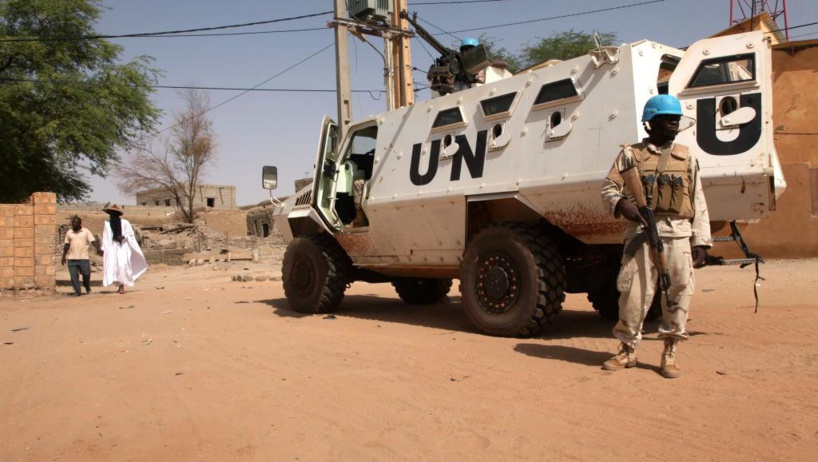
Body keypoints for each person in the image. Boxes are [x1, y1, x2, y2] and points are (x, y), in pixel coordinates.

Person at [599, 94, 712, 379]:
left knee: (678, 293)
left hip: (677, 235)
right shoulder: (630, 155)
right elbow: (609, 188)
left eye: (676, 119)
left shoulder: (687, 156)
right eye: (667, 119)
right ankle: (627, 351)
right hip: (640, 233)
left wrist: (700, 240)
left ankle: (670, 352)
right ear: (651, 123)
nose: (674, 123)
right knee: (633, 295)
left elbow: (697, 198)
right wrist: (621, 204)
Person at [101, 204, 148, 294]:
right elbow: (105, 236)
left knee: (122, 265)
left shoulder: (125, 222)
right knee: (114, 266)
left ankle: (122, 286)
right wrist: (103, 248)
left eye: (114, 213)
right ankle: (119, 285)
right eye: (111, 213)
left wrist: (123, 237)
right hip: (112, 247)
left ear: (117, 214)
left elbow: (130, 233)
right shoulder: (107, 223)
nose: (112, 215)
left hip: (122, 247)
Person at [61, 216, 103, 296]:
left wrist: (98, 249)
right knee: (74, 277)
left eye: (76, 222)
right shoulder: (69, 232)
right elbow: (66, 244)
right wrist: (63, 256)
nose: (74, 224)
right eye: (73, 222)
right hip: (72, 259)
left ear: (80, 224)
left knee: (86, 274)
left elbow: (92, 241)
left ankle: (86, 285)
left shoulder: (85, 231)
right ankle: (77, 292)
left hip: (83, 258)